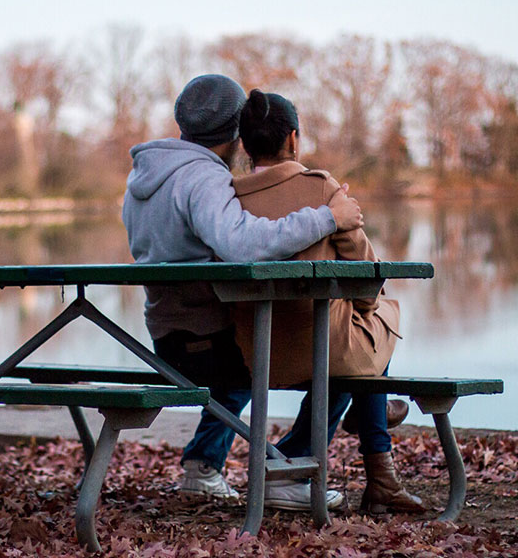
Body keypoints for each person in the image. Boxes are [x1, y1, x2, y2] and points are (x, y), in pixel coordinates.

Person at [122, 74, 362, 507]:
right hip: (209, 344)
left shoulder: (143, 179)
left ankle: (204, 465)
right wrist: (328, 217)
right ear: (236, 134)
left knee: (244, 369)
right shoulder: (203, 179)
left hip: (166, 339)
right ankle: (288, 470)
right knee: (337, 365)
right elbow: (244, 244)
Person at [230, 88, 424, 514]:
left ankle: (360, 446)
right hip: (323, 347)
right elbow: (367, 271)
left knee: (348, 346)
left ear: (244, 144)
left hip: (257, 353)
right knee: (377, 326)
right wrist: (367, 312)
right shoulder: (320, 188)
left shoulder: (228, 199)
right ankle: (380, 472)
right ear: (294, 139)